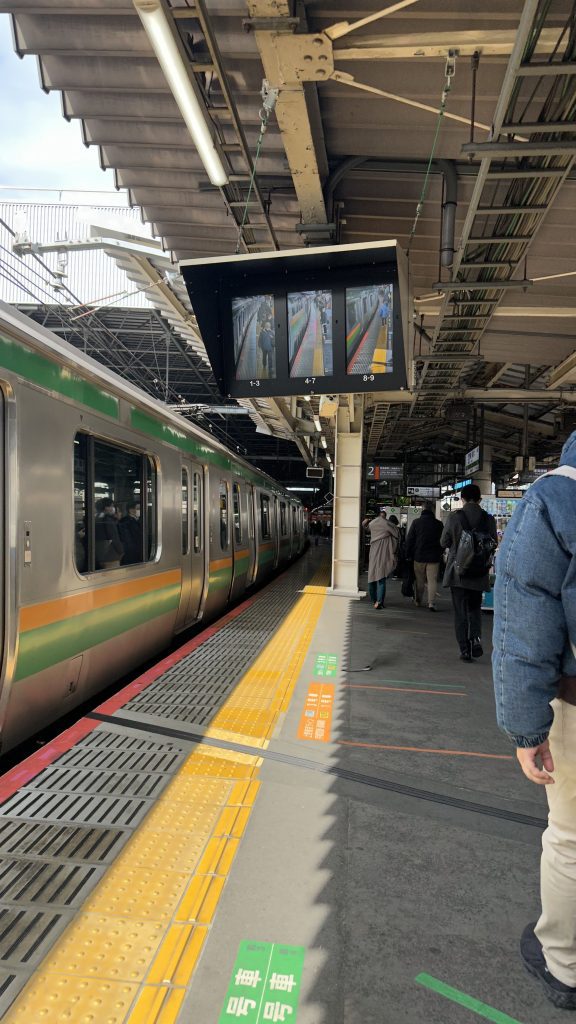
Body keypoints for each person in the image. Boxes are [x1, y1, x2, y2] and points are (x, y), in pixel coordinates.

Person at [492, 433, 576, 1011]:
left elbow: (527, 624)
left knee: (571, 839)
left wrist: (527, 731)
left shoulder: (556, 496)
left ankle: (565, 965)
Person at [441, 483, 497, 660]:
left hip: (458, 572)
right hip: (479, 572)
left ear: (462, 498)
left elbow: (443, 542)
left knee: (460, 612)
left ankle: (464, 650)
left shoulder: (454, 517)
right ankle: (475, 639)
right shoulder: (488, 519)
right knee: (474, 609)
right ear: (480, 499)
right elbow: (493, 543)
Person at [405, 503, 443, 610]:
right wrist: (440, 552)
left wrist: (408, 554)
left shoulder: (416, 522)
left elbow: (410, 539)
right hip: (434, 557)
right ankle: (431, 603)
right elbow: (443, 540)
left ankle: (418, 600)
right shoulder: (439, 524)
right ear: (433, 510)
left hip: (419, 556)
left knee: (419, 580)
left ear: (422, 509)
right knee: (432, 580)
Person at [362, 507, 399, 609]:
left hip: (373, 552)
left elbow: (366, 527)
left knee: (372, 577)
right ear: (385, 516)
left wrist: (365, 523)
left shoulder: (372, 524)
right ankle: (379, 602)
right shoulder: (388, 524)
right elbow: (396, 534)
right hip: (384, 554)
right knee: (381, 578)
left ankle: (374, 600)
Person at [95, 498, 124, 569]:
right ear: (106, 508)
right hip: (111, 556)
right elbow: (114, 538)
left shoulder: (95, 519)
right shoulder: (108, 520)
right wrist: (121, 551)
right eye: (111, 506)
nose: (113, 508)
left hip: (98, 555)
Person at [119, 501, 143, 565]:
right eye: (138, 508)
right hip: (131, 553)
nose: (140, 510)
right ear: (131, 510)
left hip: (140, 552)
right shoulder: (125, 522)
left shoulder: (139, 520)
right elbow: (127, 540)